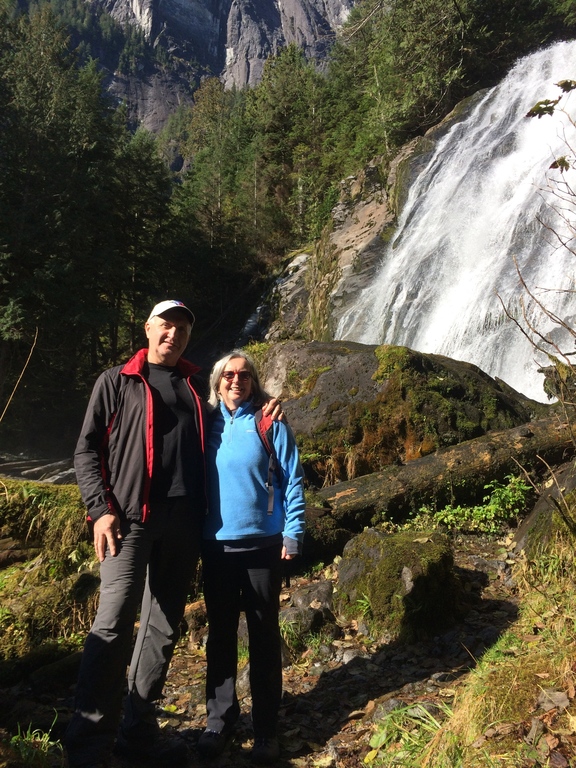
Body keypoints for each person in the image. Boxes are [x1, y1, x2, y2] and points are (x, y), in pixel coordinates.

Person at [64, 301, 280, 768]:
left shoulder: (194, 387)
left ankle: (138, 733)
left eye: (181, 328)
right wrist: (100, 510)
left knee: (161, 628)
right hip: (129, 519)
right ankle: (87, 746)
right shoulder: (116, 381)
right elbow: (86, 450)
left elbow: (237, 411)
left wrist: (268, 406)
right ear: (148, 328)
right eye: (166, 325)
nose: (173, 334)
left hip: (185, 523)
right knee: (113, 622)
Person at [198, 350, 306, 766]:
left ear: (253, 381)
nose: (236, 380)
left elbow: (292, 478)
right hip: (217, 547)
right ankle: (219, 721)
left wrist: (293, 532)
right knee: (220, 636)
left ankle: (265, 729)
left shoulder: (270, 421)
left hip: (263, 546)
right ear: (217, 381)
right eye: (228, 374)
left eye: (244, 375)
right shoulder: (205, 423)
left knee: (262, 636)